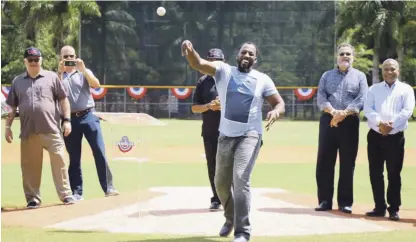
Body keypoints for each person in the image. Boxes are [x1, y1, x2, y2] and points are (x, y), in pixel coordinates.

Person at [182, 40, 285, 242]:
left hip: (250, 136)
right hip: (225, 136)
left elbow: (279, 102)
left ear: (255, 59)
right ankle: (230, 218)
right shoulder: (224, 71)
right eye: (243, 52)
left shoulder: (262, 79)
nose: (246, 55)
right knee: (220, 183)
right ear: (237, 55)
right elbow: (199, 64)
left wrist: (276, 111)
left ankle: (242, 231)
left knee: (240, 179)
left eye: (251, 54)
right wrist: (191, 50)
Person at [4, 47, 75, 208]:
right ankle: (33, 198)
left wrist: (67, 120)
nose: (34, 63)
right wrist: (7, 127)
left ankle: (66, 195)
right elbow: (11, 107)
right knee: (29, 166)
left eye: (37, 59)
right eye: (30, 60)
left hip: (52, 129)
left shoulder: (51, 78)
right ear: (25, 62)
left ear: (41, 60)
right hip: (29, 131)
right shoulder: (17, 81)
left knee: (60, 161)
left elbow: (64, 100)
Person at [57, 45, 118, 201]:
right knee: (74, 157)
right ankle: (77, 192)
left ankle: (109, 187)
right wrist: (59, 72)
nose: (69, 59)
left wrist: (83, 70)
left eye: (71, 56)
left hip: (88, 115)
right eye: (65, 57)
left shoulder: (83, 72)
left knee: (99, 151)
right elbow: (54, 92)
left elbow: (96, 84)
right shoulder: (57, 76)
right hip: (69, 119)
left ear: (76, 56)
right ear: (61, 58)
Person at [315, 43, 368, 214]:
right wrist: (333, 112)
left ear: (353, 57)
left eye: (348, 54)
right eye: (342, 53)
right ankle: (324, 200)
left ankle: (345, 202)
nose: (345, 56)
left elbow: (361, 99)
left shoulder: (360, 77)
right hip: (328, 122)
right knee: (324, 162)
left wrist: (343, 113)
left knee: (347, 163)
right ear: (337, 57)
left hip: (350, 123)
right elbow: (321, 97)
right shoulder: (326, 75)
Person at [363, 59, 415, 221]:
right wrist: (380, 123)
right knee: (375, 172)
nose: (389, 72)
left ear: (398, 71)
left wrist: (391, 126)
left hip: (395, 137)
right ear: (382, 71)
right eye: (386, 69)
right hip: (375, 136)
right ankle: (379, 207)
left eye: (392, 69)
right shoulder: (373, 89)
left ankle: (394, 209)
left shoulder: (405, 89)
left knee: (394, 173)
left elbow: (407, 111)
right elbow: (368, 109)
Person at [191, 48, 225, 210]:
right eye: (211, 60)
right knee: (213, 165)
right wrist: (209, 106)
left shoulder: (230, 79)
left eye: (217, 60)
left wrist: (224, 105)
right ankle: (216, 198)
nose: (214, 63)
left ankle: (230, 196)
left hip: (229, 131)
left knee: (229, 166)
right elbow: (194, 108)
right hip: (210, 131)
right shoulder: (203, 82)